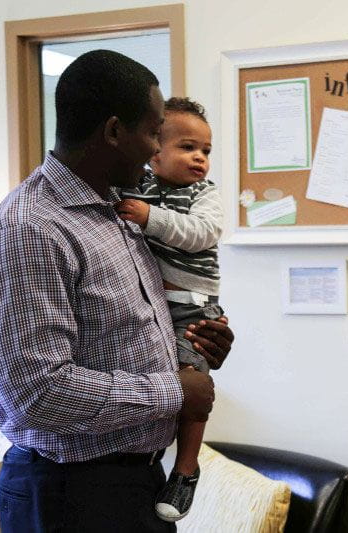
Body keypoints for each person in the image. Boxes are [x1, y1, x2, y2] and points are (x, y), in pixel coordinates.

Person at [0, 50, 234, 533]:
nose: (158, 150)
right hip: (70, 494)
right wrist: (175, 390)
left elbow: (125, 332)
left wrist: (197, 346)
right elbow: (38, 393)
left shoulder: (118, 213)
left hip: (134, 482)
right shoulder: (28, 230)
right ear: (114, 131)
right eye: (154, 133)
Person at [116, 97, 223, 522]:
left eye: (206, 151)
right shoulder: (137, 186)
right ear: (153, 151)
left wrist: (149, 218)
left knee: (194, 387)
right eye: (187, 147)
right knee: (159, 385)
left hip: (194, 308)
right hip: (152, 305)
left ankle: (185, 467)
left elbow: (201, 233)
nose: (199, 158)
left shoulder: (205, 195)